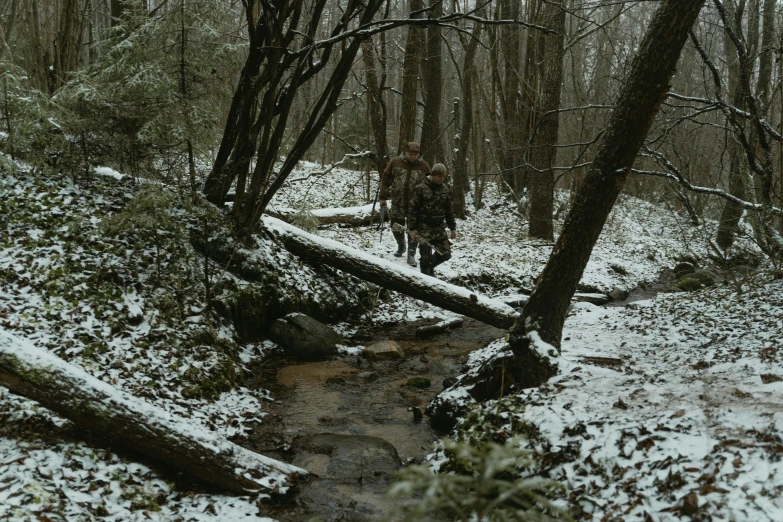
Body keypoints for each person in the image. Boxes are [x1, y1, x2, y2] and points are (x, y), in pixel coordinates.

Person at [379, 141, 431, 266]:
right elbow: (385, 179)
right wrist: (383, 197)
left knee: (414, 229)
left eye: (415, 154)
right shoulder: (395, 162)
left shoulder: (424, 166)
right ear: (405, 152)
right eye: (410, 153)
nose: (413, 156)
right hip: (398, 201)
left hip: (416, 205)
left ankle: (411, 254)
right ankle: (401, 246)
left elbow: (430, 185)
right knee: (396, 226)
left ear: (418, 154)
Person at [407, 163, 456, 277]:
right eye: (438, 176)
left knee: (446, 254)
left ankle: (431, 268)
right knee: (425, 258)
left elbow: (449, 210)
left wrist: (452, 227)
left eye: (442, 177)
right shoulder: (420, 189)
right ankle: (426, 280)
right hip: (424, 227)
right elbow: (412, 209)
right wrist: (412, 228)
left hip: (439, 227)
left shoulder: (445, 189)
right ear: (432, 175)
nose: (440, 179)